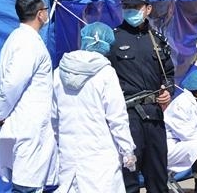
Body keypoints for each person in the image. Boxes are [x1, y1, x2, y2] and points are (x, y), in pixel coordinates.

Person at [0, 0, 58, 193]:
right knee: (28, 184)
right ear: (40, 14)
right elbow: (12, 84)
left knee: (28, 181)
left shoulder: (19, 38)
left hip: (26, 121)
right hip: (28, 122)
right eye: (45, 9)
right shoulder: (28, 43)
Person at [52, 22, 136, 192]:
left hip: (69, 155)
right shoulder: (105, 73)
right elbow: (117, 117)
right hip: (99, 155)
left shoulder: (59, 72)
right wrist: (127, 150)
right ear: (106, 45)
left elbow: (53, 117)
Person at [108, 0, 175, 193]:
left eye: (135, 7)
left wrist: (168, 92)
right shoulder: (113, 39)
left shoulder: (158, 40)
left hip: (154, 116)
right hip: (127, 117)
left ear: (148, 9)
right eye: (126, 6)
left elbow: (169, 75)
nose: (131, 11)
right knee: (128, 178)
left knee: (158, 178)